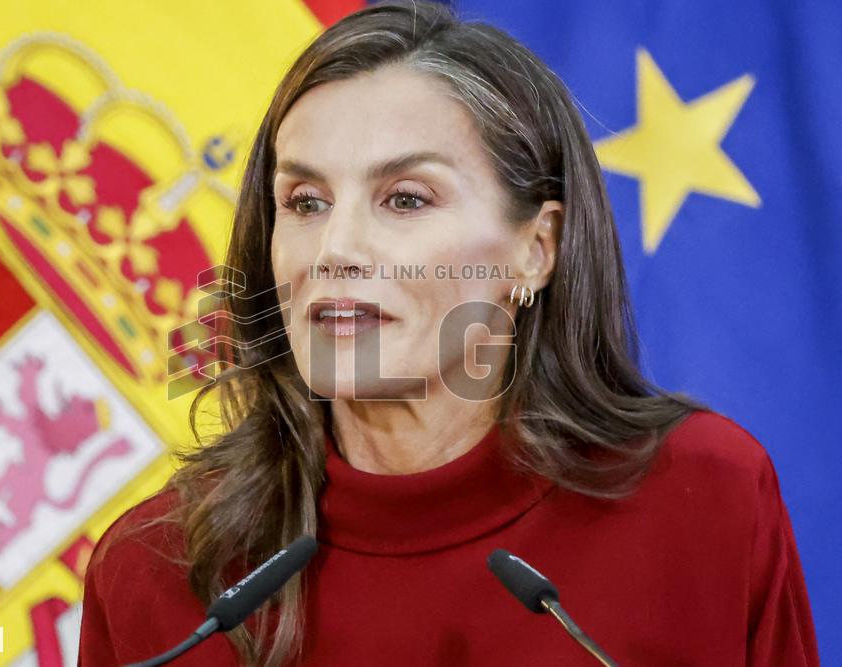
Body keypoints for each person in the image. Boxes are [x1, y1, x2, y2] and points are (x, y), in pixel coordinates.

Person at [77, 1, 820, 665]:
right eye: (304, 201)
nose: (335, 249)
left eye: (405, 198)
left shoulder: (705, 497)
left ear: (537, 246)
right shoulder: (159, 573)